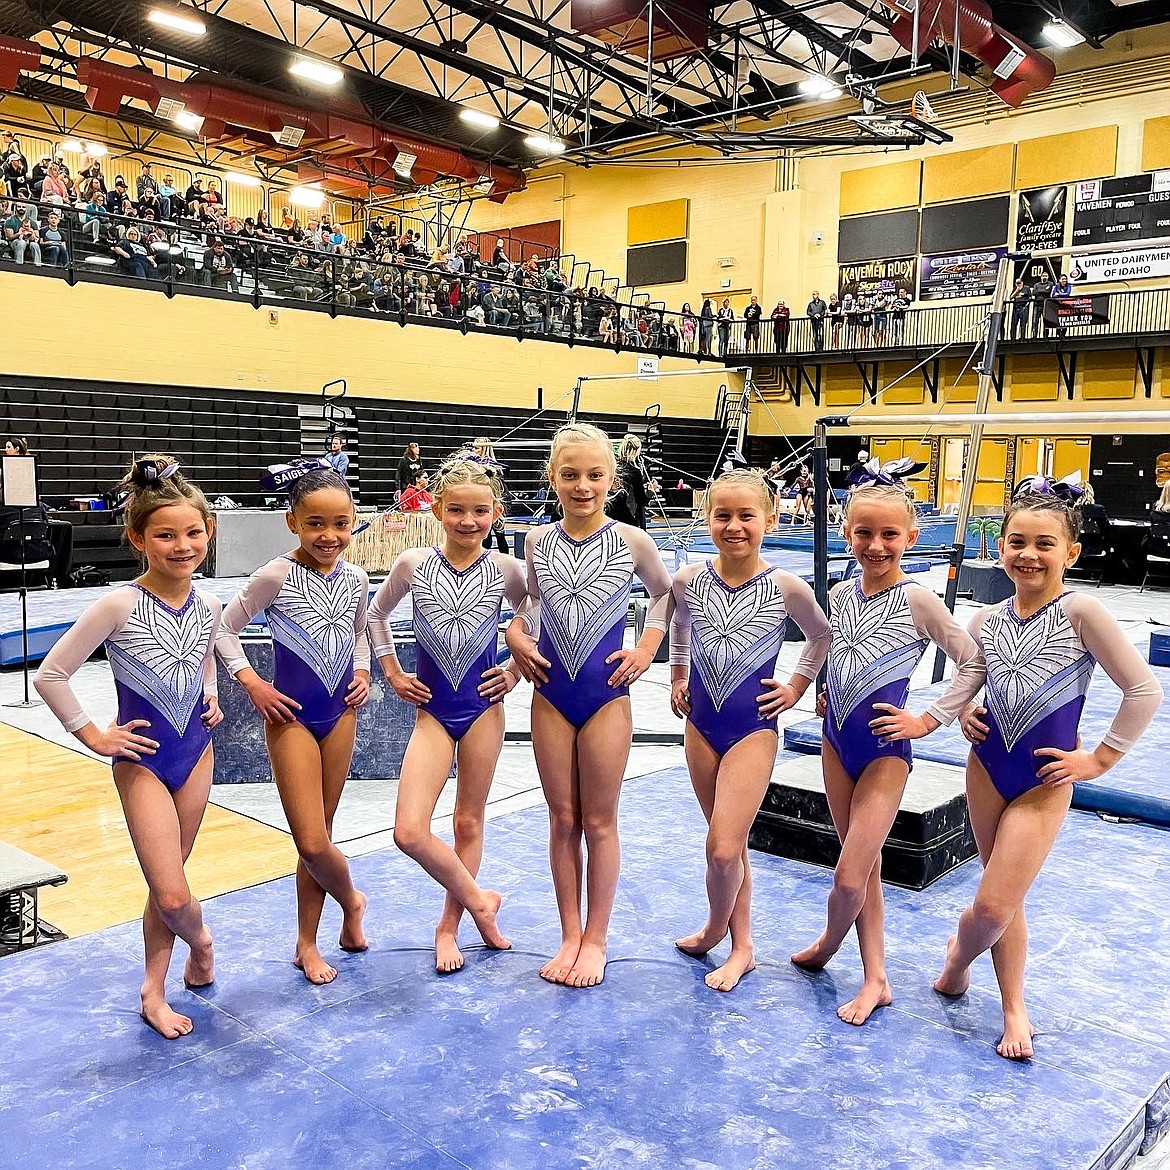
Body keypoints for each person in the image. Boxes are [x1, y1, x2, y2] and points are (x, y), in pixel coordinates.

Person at [937, 477, 1162, 1059]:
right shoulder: (985, 620)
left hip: (1045, 779)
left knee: (991, 906)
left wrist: (1101, 758)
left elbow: (1143, 689)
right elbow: (969, 682)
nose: (1028, 555)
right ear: (1000, 545)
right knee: (1000, 896)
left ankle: (959, 958)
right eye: (1016, 542)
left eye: (1043, 544)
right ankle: (1013, 1004)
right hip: (986, 767)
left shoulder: (1081, 611)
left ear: (1071, 552)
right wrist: (964, 714)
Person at [34, 456, 222, 1038]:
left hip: (195, 753)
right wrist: (93, 735)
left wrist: (211, 694)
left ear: (208, 533)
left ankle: (153, 988)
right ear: (138, 538)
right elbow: (50, 675)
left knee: (170, 884)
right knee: (171, 892)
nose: (182, 545)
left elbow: (205, 654)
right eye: (165, 535)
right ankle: (203, 942)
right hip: (141, 761)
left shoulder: (210, 605)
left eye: (193, 532)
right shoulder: (118, 605)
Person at [791, 460, 984, 1026]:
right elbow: (828, 644)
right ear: (845, 533)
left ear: (912, 536)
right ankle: (876, 976)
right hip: (835, 741)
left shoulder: (919, 600)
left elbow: (973, 658)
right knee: (866, 865)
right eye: (863, 533)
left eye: (889, 534)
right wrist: (819, 686)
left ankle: (829, 943)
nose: (875, 545)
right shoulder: (841, 592)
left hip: (883, 751)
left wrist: (929, 720)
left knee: (849, 875)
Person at [505, 423, 672, 988]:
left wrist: (648, 646)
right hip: (551, 694)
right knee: (562, 820)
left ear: (611, 479)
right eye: (570, 475)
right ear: (552, 479)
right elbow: (530, 599)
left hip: (605, 696)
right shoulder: (536, 541)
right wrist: (516, 633)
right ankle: (569, 933)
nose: (583, 486)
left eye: (595, 476)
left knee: (599, 821)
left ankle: (597, 939)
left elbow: (664, 594)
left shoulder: (631, 540)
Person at [670, 470, 831, 991]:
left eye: (746, 516)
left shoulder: (785, 585)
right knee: (730, 844)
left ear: (772, 519)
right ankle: (741, 945)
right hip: (701, 724)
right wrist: (676, 674)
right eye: (723, 515)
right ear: (707, 519)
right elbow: (679, 627)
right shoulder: (688, 580)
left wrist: (797, 685)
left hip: (753, 729)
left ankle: (720, 928)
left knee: (721, 848)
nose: (734, 526)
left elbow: (821, 636)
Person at [369, 458, 529, 972]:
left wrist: (515, 669)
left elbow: (539, 617)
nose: (467, 520)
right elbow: (374, 613)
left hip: (484, 707)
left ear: (496, 514)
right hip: (433, 712)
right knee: (409, 831)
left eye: (480, 511)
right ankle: (482, 900)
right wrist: (391, 671)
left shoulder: (507, 571)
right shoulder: (415, 563)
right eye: (456, 509)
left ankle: (450, 926)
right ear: (436, 509)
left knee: (468, 821)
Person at [216, 466, 371, 985]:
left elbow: (360, 631)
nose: (329, 536)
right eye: (315, 524)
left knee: (321, 835)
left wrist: (365, 670)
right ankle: (353, 901)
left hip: (340, 712)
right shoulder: (274, 575)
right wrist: (252, 682)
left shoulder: (355, 576)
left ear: (355, 523)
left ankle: (307, 942)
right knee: (310, 841)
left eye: (341, 524)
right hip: (292, 719)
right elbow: (222, 628)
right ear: (292, 522)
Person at [469, 437, 509, 553]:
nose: (473, 450)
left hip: (495, 501)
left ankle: (506, 561)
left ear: (484, 449)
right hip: (481, 501)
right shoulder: (474, 464)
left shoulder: (493, 466)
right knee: (486, 535)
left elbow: (499, 487)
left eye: (476, 448)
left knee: (500, 535)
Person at [606, 433, 655, 529]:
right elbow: (642, 500)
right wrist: (651, 491)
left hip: (611, 513)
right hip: (628, 517)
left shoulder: (614, 467)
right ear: (636, 451)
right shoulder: (634, 471)